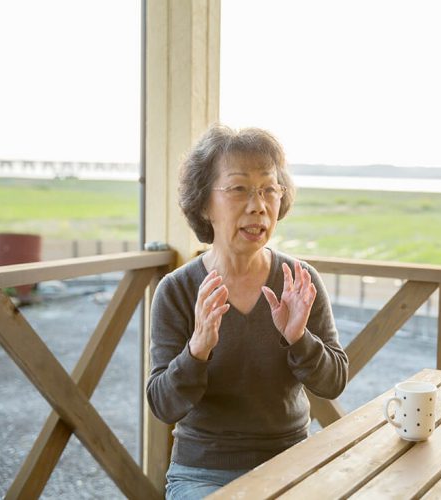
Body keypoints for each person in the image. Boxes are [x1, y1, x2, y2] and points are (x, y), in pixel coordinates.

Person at [146, 124, 349, 499]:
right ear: (205, 203)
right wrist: (197, 350)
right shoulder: (176, 290)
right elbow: (163, 404)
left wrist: (299, 338)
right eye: (239, 189)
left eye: (269, 189)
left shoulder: (300, 281)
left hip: (290, 463)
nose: (258, 205)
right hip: (202, 473)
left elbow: (334, 381)